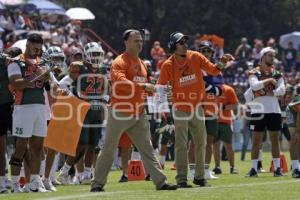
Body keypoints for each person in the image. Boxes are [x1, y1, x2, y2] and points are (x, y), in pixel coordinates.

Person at [90, 29, 177, 192]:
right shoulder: (119, 62)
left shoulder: (142, 64)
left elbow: (146, 88)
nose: (139, 43)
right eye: (136, 40)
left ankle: (161, 182)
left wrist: (161, 90)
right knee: (109, 149)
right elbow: (120, 83)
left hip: (139, 113)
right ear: (126, 42)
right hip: (120, 112)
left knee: (148, 149)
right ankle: (97, 184)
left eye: (141, 41)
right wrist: (144, 86)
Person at [157, 32, 234, 187]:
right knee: (181, 144)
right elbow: (160, 87)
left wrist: (222, 61)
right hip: (180, 108)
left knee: (201, 142)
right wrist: (163, 109)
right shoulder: (168, 65)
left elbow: (213, 70)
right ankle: (182, 179)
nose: (185, 44)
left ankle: (199, 177)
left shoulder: (196, 56)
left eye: (186, 41)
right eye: (181, 42)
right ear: (173, 46)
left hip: (197, 107)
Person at [58, 42, 107, 185]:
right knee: (81, 143)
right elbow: (63, 84)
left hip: (97, 111)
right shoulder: (79, 67)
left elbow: (105, 87)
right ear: (86, 55)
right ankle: (65, 171)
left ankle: (87, 174)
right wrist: (74, 98)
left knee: (92, 144)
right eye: (94, 54)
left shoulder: (103, 69)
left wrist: (106, 97)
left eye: (98, 54)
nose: (96, 57)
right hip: (83, 111)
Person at [7, 33, 50, 193]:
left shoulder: (40, 62)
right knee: (20, 147)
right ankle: (15, 184)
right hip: (23, 107)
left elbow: (45, 86)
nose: (37, 51)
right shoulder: (16, 62)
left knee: (38, 148)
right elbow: (16, 84)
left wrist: (47, 78)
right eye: (34, 47)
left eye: (39, 48)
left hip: (40, 106)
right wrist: (36, 75)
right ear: (27, 45)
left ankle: (34, 183)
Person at [246, 47, 286, 177]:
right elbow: (254, 86)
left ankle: (278, 169)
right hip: (258, 110)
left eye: (273, 55)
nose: (272, 57)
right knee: (256, 140)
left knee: (275, 140)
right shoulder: (254, 72)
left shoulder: (277, 73)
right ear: (262, 57)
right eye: (270, 55)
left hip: (274, 110)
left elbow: (282, 90)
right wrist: (268, 81)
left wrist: (273, 92)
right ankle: (253, 169)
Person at [0, 47, 22, 194]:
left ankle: (21, 180)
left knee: (21, 144)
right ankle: (2, 182)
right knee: (1, 148)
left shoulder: (6, 59)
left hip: (12, 105)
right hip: (2, 106)